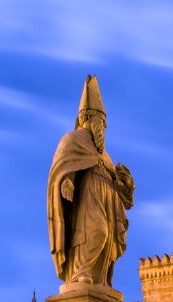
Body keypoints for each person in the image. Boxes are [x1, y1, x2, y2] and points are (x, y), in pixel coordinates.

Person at [47, 75, 135, 286]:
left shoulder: (106, 156)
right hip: (88, 198)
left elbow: (123, 197)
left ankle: (100, 279)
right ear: (87, 117)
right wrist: (66, 180)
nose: (103, 127)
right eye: (100, 121)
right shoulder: (73, 139)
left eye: (104, 123)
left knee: (107, 237)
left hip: (107, 201)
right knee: (96, 231)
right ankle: (80, 272)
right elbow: (62, 166)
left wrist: (126, 187)